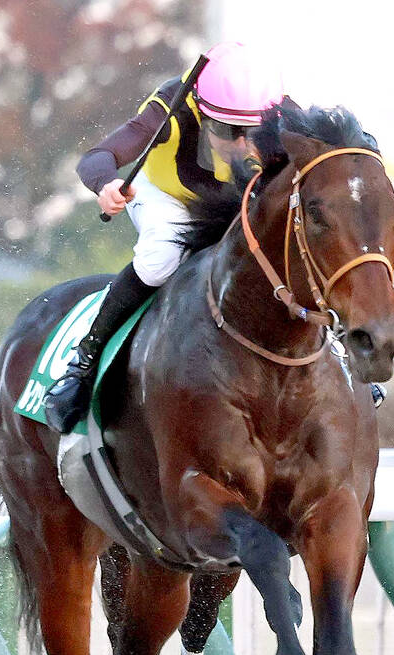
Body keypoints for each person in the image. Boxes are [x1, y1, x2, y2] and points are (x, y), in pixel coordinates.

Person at [42, 41, 285, 434]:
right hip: (165, 195)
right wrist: (106, 185)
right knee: (163, 255)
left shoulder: (279, 110)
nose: (241, 145)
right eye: (227, 131)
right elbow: (97, 158)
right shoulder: (168, 108)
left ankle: (338, 351)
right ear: (203, 112)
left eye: (252, 132)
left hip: (231, 198)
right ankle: (82, 365)